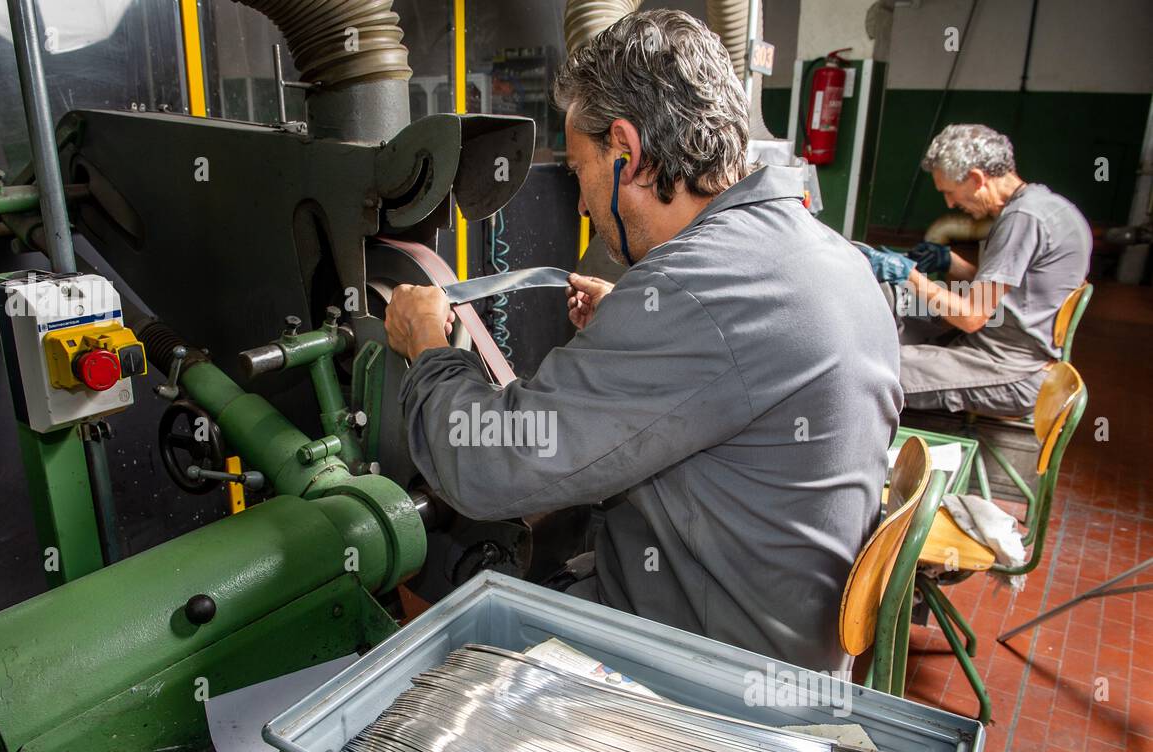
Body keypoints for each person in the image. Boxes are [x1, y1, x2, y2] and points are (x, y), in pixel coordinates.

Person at [381, 10, 902, 673]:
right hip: (788, 638)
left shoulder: (694, 294)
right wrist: (634, 332)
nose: (580, 206)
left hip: (710, 677)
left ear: (625, 148)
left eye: (579, 173)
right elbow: (728, 373)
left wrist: (429, 353)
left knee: (444, 608)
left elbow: (484, 469)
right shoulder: (830, 253)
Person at [860, 124, 1091, 415]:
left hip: (1010, 368)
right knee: (914, 323)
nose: (951, 203)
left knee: (868, 372)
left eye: (951, 192)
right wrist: (950, 261)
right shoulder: (1044, 205)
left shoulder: (1021, 219)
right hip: (1016, 348)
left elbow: (971, 316)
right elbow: (1012, 292)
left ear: (976, 178)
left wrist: (909, 276)